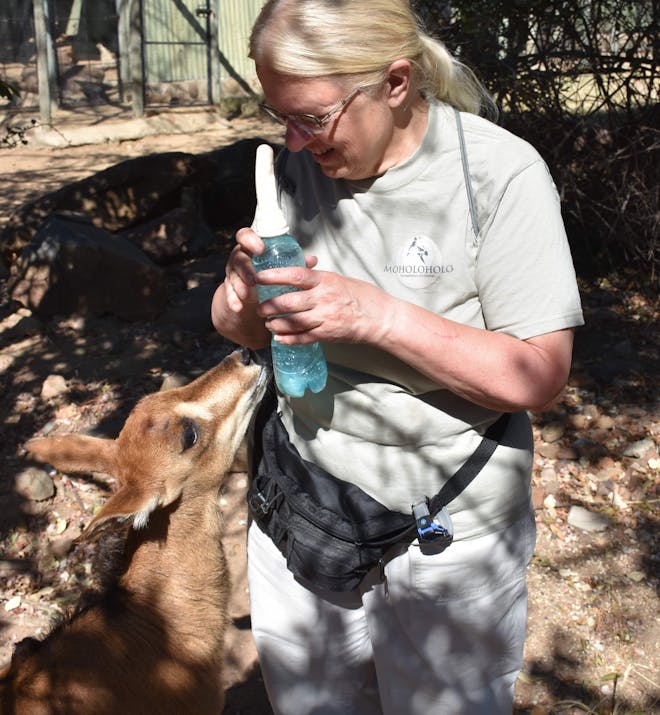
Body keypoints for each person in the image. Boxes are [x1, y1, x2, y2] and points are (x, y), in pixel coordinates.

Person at [211, 1, 584, 713]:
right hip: (302, 512)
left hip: (445, 538)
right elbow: (249, 331)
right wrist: (239, 299)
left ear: (395, 82)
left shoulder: (500, 178)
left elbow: (539, 375)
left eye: (313, 117)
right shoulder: (298, 168)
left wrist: (376, 314)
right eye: (279, 115)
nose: (293, 140)